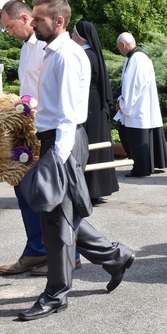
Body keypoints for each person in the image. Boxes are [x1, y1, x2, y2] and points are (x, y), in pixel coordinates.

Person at [18, 0, 134, 321]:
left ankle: (56, 294)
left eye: (38, 19)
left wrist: (56, 158)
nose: (32, 23)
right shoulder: (52, 52)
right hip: (56, 141)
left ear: (58, 22)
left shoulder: (67, 57)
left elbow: (69, 115)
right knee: (65, 215)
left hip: (63, 143)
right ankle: (115, 257)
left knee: (56, 221)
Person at [0, 1, 49, 276]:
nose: (9, 32)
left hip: (43, 128)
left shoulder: (44, 46)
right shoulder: (28, 46)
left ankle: (65, 252)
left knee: (46, 194)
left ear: (25, 18)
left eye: (10, 26)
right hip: (28, 126)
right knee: (23, 188)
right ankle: (36, 250)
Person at [71, 19, 119, 202]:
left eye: (74, 33)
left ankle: (91, 189)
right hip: (95, 105)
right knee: (97, 144)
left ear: (81, 36)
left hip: (88, 104)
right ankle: (99, 188)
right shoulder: (93, 54)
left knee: (89, 145)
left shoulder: (84, 56)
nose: (72, 36)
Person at [114, 32, 167, 177]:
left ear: (123, 45)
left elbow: (133, 86)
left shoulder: (137, 59)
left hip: (137, 107)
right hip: (141, 106)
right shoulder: (134, 58)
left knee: (134, 136)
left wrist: (122, 102)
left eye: (119, 47)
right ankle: (148, 165)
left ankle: (141, 168)